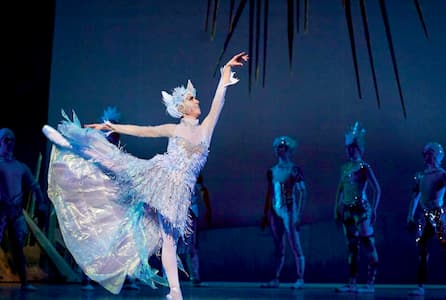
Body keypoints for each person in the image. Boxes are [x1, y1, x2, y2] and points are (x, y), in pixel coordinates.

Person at [41, 51, 248, 300]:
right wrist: (112, 127)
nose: (197, 101)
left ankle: (175, 292)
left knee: (168, 241)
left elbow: (219, 101)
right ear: (183, 108)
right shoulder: (174, 128)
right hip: (159, 176)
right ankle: (72, 144)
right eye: (193, 98)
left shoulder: (206, 130)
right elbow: (143, 131)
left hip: (179, 194)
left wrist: (226, 70)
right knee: (119, 164)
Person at [79, 106, 140, 291]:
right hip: (98, 202)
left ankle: (125, 276)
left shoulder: (118, 153)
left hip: (116, 202)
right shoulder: (99, 151)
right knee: (94, 239)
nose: (115, 134)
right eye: (111, 129)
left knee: (123, 239)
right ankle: (87, 278)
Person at [406, 142, 446, 298]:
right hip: (425, 215)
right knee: (422, 249)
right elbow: (415, 196)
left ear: (437, 155)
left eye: (430, 153)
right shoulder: (421, 176)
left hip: (438, 214)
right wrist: (410, 215)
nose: (427, 156)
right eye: (426, 153)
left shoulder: (442, 174)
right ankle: (420, 285)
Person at [334, 121, 381, 294]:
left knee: (368, 243)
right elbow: (340, 189)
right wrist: (336, 210)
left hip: (362, 210)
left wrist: (374, 209)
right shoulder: (344, 167)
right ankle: (352, 283)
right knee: (352, 247)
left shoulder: (364, 167)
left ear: (358, 148)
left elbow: (377, 189)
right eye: (347, 147)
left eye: (351, 147)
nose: (348, 150)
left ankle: (370, 283)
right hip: (347, 210)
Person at [0, 128, 48, 291]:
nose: (10, 143)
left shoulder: (20, 167)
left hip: (15, 212)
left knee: (18, 249)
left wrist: (41, 201)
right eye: (6, 140)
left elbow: (34, 185)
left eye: (12, 140)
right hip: (1, 210)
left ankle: (24, 283)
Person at [259, 136, 306, 290]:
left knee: (294, 244)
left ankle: (300, 278)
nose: (277, 150)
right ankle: (276, 278)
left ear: (287, 150)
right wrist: (266, 213)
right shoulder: (272, 171)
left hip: (289, 210)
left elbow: (302, 192)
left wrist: (298, 214)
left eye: (281, 147)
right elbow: (270, 193)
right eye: (277, 147)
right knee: (279, 246)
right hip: (275, 210)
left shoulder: (294, 169)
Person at [178, 173, 212, 287]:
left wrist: (208, 211)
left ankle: (195, 276)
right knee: (173, 246)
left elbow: (203, 190)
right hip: (178, 215)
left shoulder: (194, 174)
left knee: (191, 247)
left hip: (189, 214)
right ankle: (168, 276)